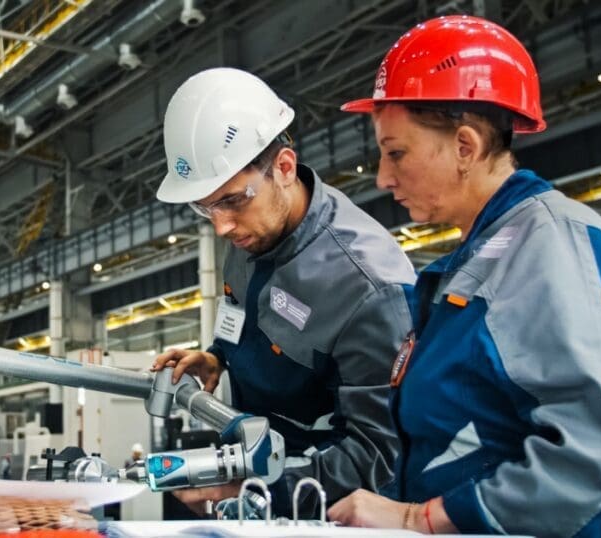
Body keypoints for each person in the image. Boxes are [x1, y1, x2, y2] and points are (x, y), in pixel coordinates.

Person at [329, 15, 601, 537]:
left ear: (465, 146)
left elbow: (599, 454)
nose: (383, 177)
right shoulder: (473, 263)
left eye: (396, 153)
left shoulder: (553, 244)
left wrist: (422, 519)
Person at [150, 67, 416, 516]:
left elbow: (381, 456)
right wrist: (217, 357)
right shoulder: (253, 231)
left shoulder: (369, 287)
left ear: (285, 168)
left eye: (232, 200)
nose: (221, 226)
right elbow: (244, 316)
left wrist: (258, 495)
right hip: (256, 469)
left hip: (319, 504)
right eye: (205, 207)